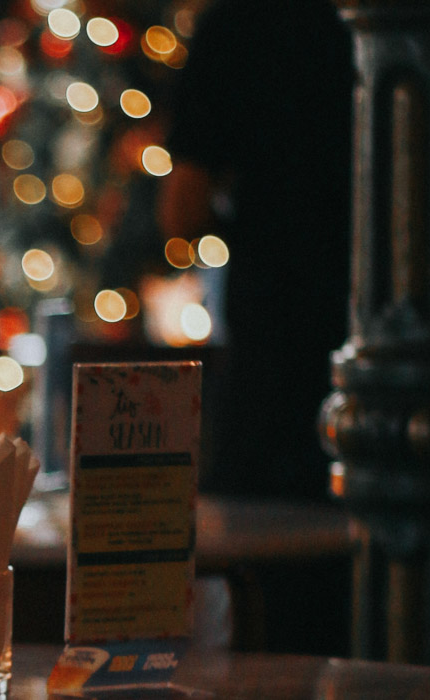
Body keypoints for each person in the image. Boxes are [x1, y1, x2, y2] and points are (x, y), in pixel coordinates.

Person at [157, 0, 354, 501]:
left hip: (274, 320)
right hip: (379, 322)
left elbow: (183, 207)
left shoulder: (233, 25)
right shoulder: (358, 19)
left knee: (259, 527)